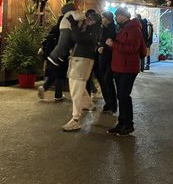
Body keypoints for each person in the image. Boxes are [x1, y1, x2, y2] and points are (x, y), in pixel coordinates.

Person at [106, 7, 146, 136]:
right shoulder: (123, 28)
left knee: (124, 96)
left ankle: (128, 125)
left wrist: (113, 44)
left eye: (118, 15)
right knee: (121, 96)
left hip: (128, 68)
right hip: (119, 66)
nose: (116, 18)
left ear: (124, 16)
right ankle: (121, 123)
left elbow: (133, 48)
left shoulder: (133, 28)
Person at [62, 11, 102, 132]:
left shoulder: (93, 31)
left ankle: (75, 119)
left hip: (83, 61)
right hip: (78, 60)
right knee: (77, 86)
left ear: (95, 21)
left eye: (90, 18)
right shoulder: (89, 29)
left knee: (76, 89)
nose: (87, 20)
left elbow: (77, 37)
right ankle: (89, 105)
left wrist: (73, 24)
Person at [38, 8, 68, 102]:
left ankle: (44, 87)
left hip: (51, 56)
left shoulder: (54, 29)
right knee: (59, 75)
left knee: (52, 75)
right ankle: (58, 95)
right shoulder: (65, 32)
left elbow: (46, 41)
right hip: (61, 56)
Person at [97, 11, 117, 114]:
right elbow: (100, 41)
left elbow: (112, 44)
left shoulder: (113, 28)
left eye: (103, 17)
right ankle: (108, 104)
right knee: (103, 82)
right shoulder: (102, 28)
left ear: (108, 19)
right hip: (102, 58)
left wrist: (103, 47)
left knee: (108, 81)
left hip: (110, 59)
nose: (102, 19)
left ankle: (112, 105)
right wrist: (99, 47)